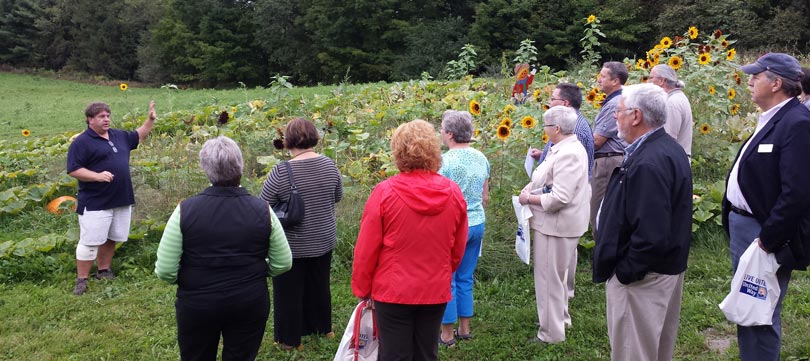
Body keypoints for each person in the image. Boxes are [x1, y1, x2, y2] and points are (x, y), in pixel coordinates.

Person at [155, 136, 292, 361]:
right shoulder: (264, 210)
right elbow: (283, 262)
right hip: (249, 300)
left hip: (197, 303)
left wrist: (192, 280)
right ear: (240, 165)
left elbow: (165, 270)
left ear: (205, 168)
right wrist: (257, 274)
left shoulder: (184, 210)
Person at [352, 119, 468, 360]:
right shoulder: (453, 192)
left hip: (393, 291)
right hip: (434, 288)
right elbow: (458, 247)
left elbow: (366, 250)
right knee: (426, 352)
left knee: (394, 354)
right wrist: (443, 271)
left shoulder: (384, 192)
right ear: (434, 150)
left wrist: (363, 288)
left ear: (398, 152)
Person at [592, 83, 692, 361]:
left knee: (632, 351)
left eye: (619, 111)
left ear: (636, 116)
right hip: (662, 269)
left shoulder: (650, 160)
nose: (615, 116)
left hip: (642, 279)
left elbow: (651, 231)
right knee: (655, 349)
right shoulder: (665, 147)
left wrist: (627, 272)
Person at [722, 53, 810, 361]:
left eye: (756, 76)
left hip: (763, 232)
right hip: (747, 227)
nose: (749, 80)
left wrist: (768, 239)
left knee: (759, 311)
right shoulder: (774, 118)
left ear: (776, 83)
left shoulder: (797, 123)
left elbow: (798, 192)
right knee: (748, 308)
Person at [260, 117, 343, 350]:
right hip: (324, 237)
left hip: (292, 244)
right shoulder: (329, 165)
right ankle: (322, 328)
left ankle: (289, 340)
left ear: (288, 141)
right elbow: (337, 196)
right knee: (319, 284)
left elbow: (262, 205)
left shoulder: (281, 171)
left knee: (288, 291)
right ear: (314, 138)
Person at [66, 100, 156, 295]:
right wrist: (97, 176)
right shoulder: (81, 142)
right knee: (89, 241)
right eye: (101, 116)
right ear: (90, 119)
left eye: (107, 115)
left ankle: (103, 270)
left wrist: (149, 120)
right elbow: (73, 169)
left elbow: (139, 135)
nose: (106, 119)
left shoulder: (118, 135)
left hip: (121, 197)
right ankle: (82, 279)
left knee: (111, 237)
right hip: (96, 200)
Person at [519, 106, 590, 344]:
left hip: (556, 226)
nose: (545, 131)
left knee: (549, 279)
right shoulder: (563, 148)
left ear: (556, 128)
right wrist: (534, 188)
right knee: (558, 277)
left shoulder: (568, 152)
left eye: (546, 127)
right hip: (559, 224)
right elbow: (553, 183)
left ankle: (550, 334)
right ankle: (559, 319)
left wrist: (529, 199)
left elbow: (560, 197)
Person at [529, 82, 595, 305]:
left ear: (565, 104)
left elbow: (564, 185)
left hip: (563, 216)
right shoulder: (568, 128)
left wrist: (530, 197)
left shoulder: (573, 130)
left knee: (556, 270)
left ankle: (556, 317)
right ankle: (560, 308)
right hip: (568, 211)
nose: (549, 102)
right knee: (560, 266)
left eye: (553, 100)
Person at [438, 110, 490, 347]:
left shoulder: (445, 161)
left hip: (453, 226)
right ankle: (465, 329)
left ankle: (447, 334)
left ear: (449, 134)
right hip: (477, 221)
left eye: (441, 129)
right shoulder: (481, 157)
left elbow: (438, 198)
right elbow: (485, 196)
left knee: (446, 277)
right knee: (465, 277)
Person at [590, 61, 628, 239]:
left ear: (615, 81)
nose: (598, 79)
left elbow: (597, 140)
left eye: (603, 76)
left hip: (608, 162)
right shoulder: (614, 101)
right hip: (610, 160)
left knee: (600, 211)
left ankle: (604, 256)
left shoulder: (614, 104)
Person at [647, 64, 693, 156]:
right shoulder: (678, 97)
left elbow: (667, 139)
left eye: (651, 78)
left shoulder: (672, 103)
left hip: (672, 160)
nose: (647, 81)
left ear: (661, 81)